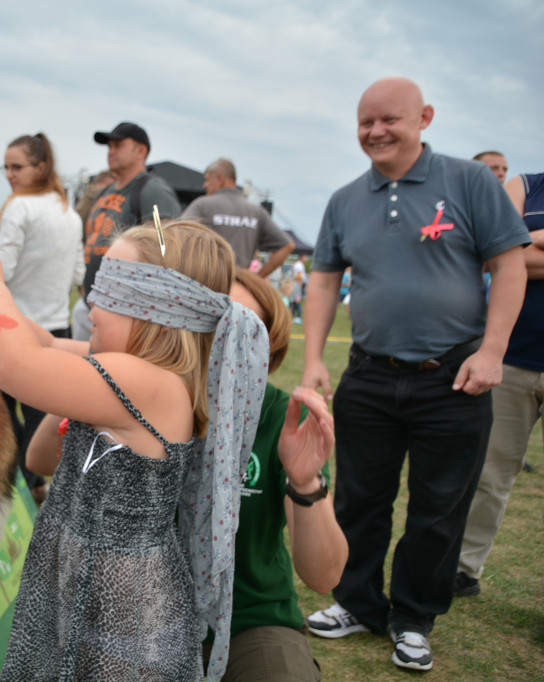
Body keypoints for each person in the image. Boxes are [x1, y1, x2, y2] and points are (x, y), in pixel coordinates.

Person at [0, 222, 266, 681]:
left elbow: (17, 366)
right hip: (93, 578)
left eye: (112, 292)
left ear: (157, 312)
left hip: (121, 607)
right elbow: (48, 344)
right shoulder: (141, 376)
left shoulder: (151, 384)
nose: (92, 302)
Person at [300, 77, 529, 672]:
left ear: (424, 117)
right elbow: (323, 279)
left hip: (454, 376)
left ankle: (413, 618)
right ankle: (356, 602)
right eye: (365, 122)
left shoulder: (472, 182)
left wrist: (493, 351)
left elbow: (509, 264)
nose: (376, 132)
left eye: (389, 120)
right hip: (370, 375)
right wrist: (317, 357)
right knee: (360, 498)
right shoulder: (346, 199)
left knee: (439, 506)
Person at [196, 267, 344, 681]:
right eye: (210, 321)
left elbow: (324, 576)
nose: (221, 339)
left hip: (252, 619)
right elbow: (41, 460)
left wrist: (305, 483)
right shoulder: (155, 395)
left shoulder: (284, 418)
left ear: (268, 347)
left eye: (241, 327)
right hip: (148, 617)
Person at [456, 170, 544, 596]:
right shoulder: (525, 186)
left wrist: (532, 241)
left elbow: (519, 255)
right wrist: (517, 252)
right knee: (492, 471)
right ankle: (465, 568)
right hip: (514, 356)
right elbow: (498, 258)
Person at [0, 132, 84, 501]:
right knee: (42, 420)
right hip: (56, 329)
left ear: (41, 167)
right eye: (6, 167)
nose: (9, 174)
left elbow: (3, 269)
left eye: (17, 167)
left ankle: (30, 484)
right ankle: (38, 484)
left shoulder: (20, 207)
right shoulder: (70, 213)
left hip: (16, 329)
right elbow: (79, 274)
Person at [71, 122, 180, 341]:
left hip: (122, 312)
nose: (111, 152)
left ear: (141, 151)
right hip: (90, 303)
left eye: (118, 145)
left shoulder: (152, 190)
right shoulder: (105, 192)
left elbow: (165, 242)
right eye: (109, 146)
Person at [180, 158, 295, 277]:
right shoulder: (256, 211)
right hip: (239, 287)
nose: (205, 185)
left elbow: (176, 234)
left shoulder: (202, 205)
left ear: (220, 178)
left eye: (208, 180)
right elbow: (287, 246)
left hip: (208, 284)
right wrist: (257, 278)